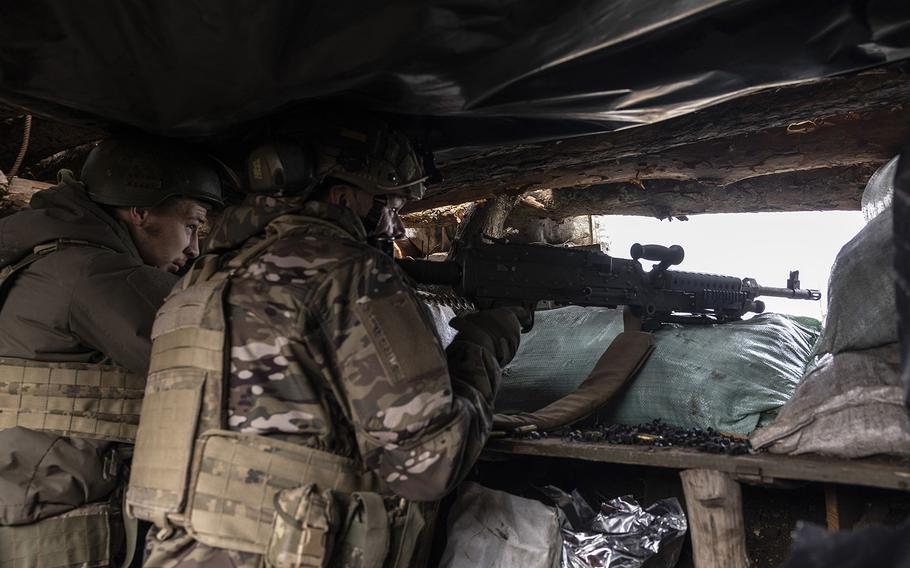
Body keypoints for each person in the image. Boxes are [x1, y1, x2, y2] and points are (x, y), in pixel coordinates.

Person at [128, 120, 523, 567]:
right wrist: (480, 349)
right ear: (344, 198)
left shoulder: (199, 280)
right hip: (290, 552)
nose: (395, 229)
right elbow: (427, 466)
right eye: (391, 206)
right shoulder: (348, 273)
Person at [0, 138, 223, 567]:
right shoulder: (98, 274)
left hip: (23, 507)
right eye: (192, 225)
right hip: (59, 526)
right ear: (140, 211)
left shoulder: (38, 256)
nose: (194, 247)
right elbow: (216, 360)